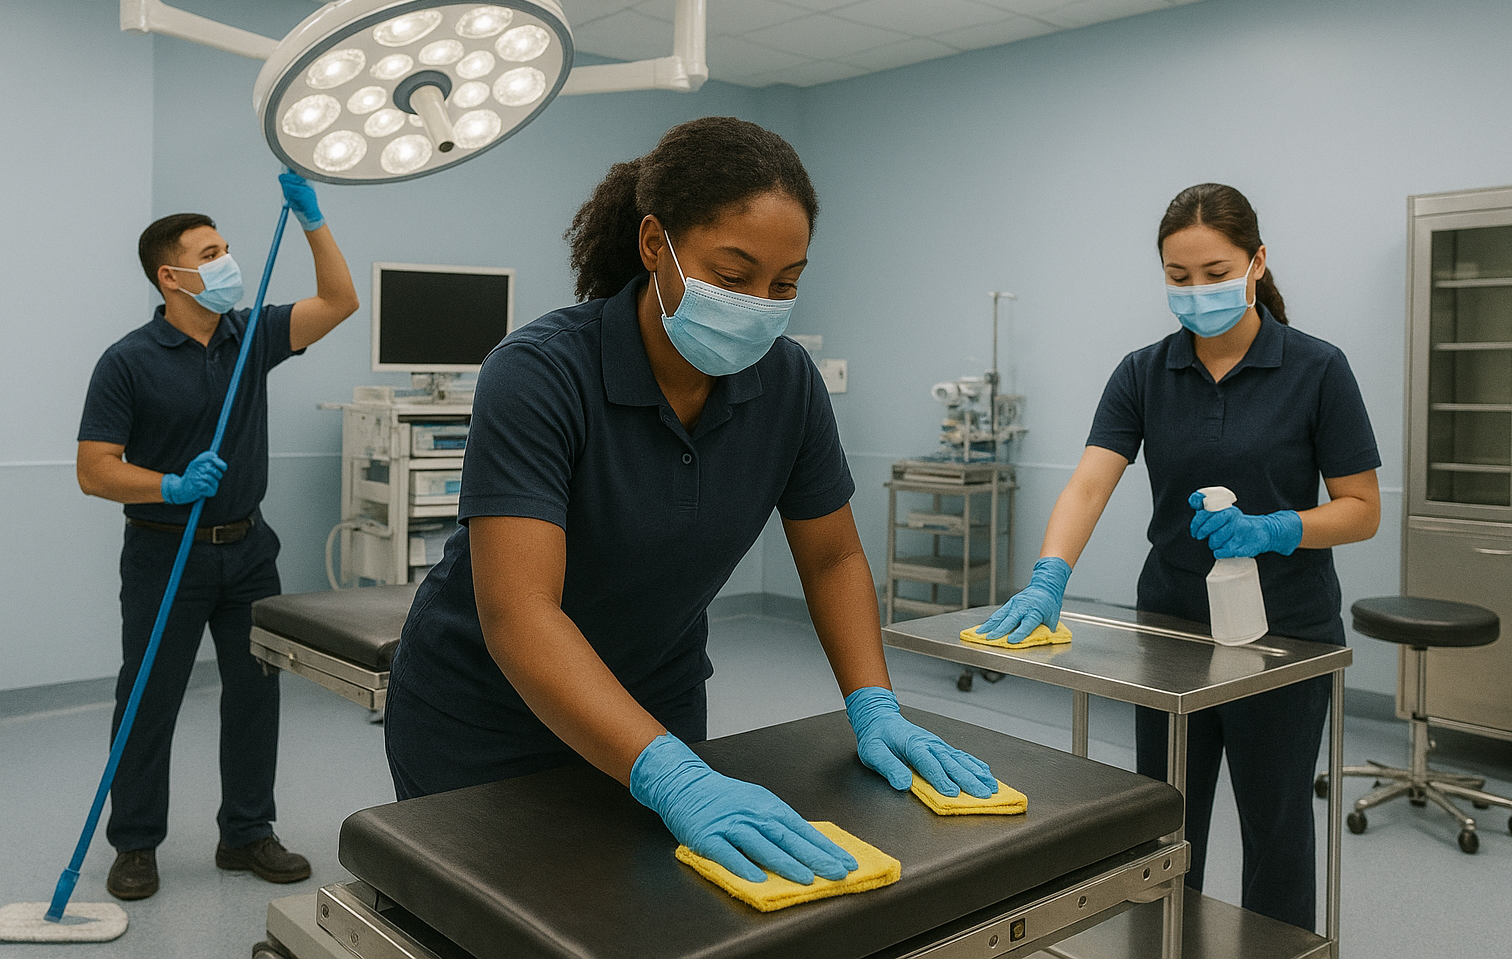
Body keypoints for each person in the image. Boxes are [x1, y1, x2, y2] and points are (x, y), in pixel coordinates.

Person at [385, 116, 998, 887]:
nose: (760, 305)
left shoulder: (789, 385)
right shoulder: (541, 374)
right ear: (655, 247)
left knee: (657, 919)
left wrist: (874, 703)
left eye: (785, 284)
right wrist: (673, 780)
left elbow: (834, 554)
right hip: (486, 718)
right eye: (733, 275)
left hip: (659, 703)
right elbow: (521, 614)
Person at [978, 183, 1380, 930]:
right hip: (1172, 629)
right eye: (1178, 277)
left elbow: (1362, 510)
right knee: (1164, 826)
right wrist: (1048, 577)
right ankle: (1165, 947)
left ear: (1258, 262)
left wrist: (1277, 529)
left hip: (1284, 637)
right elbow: (1090, 485)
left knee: (1277, 829)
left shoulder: (1318, 369)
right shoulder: (1144, 373)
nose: (1198, 291)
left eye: (1216, 271)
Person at [76, 172, 358, 901]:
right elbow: (95, 470)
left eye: (228, 247)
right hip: (164, 551)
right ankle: (135, 844)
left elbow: (340, 302)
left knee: (255, 694)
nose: (227, 260)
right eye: (211, 252)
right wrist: (168, 485)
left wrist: (312, 223)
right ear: (171, 276)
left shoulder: (251, 334)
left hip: (249, 550)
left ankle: (246, 834)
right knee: (148, 698)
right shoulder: (128, 361)